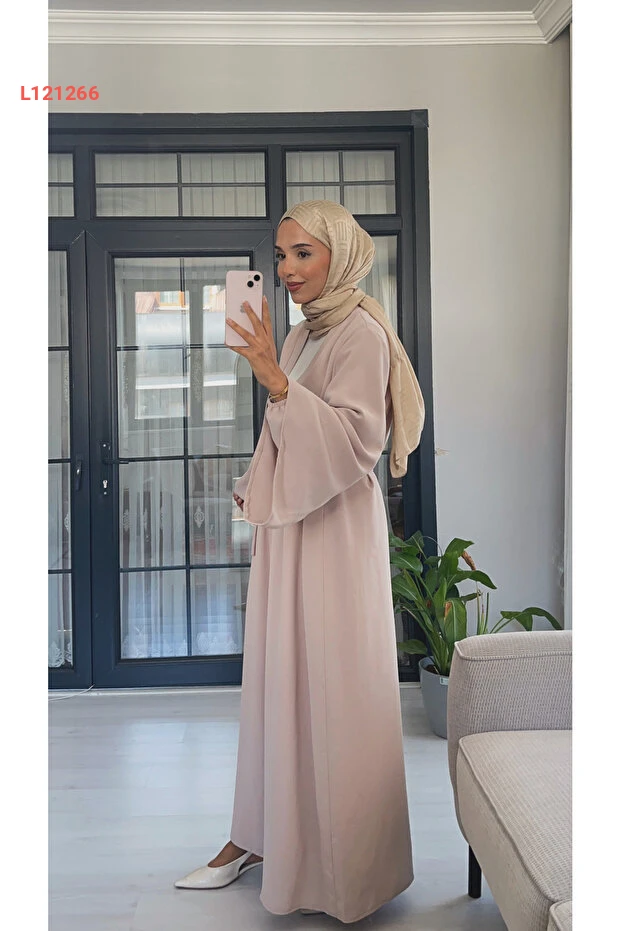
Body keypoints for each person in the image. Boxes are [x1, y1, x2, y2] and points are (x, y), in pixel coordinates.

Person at [174, 200, 425, 922]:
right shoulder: (299, 332)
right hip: (292, 525)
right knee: (279, 681)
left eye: (303, 254)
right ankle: (259, 836)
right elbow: (282, 433)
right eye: (281, 255)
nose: (286, 269)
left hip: (334, 530)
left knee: (333, 686)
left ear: (340, 255)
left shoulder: (361, 334)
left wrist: (274, 379)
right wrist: (258, 479)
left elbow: (355, 444)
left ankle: (345, 868)